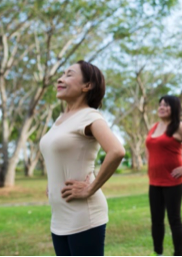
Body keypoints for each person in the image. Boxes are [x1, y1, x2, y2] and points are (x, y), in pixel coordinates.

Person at [40, 60, 125, 257]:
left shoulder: (90, 117)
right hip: (59, 215)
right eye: (62, 75)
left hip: (83, 215)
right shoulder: (60, 120)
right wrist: (52, 182)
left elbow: (116, 151)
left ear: (87, 86)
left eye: (69, 74)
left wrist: (90, 187)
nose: (61, 79)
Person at [146, 95, 182, 257]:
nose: (162, 107)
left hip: (173, 181)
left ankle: (178, 254)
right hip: (154, 181)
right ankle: (158, 253)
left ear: (174, 108)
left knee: (174, 219)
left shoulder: (179, 127)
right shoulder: (154, 127)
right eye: (160, 105)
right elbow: (150, 148)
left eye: (166, 105)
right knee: (156, 220)